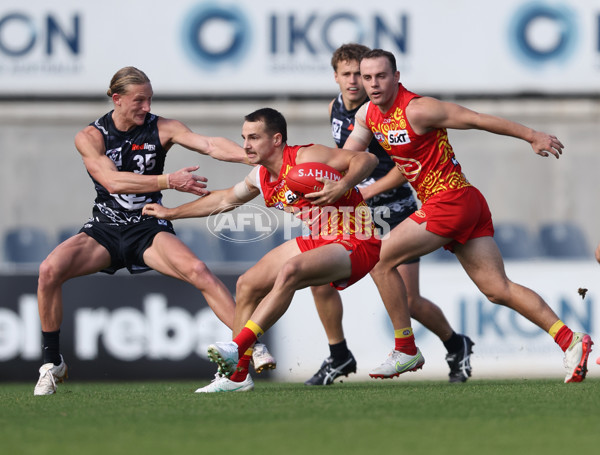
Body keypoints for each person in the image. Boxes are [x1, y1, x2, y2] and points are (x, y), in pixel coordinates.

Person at [340, 48, 593, 383]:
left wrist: (532, 135)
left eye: (381, 76)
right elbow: (345, 156)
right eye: (367, 77)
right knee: (497, 289)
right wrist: (315, 176)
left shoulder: (418, 108)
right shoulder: (368, 115)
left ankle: (405, 348)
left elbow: (476, 119)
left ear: (397, 77)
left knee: (378, 260)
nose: (373, 83)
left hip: (450, 201)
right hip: (463, 202)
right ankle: (571, 340)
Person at [143, 107, 424, 393]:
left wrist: (344, 185)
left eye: (254, 137)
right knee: (247, 284)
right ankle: (237, 377)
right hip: (320, 238)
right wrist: (172, 212)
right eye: (244, 138)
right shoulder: (260, 177)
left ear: (277, 139)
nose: (246, 145)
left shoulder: (306, 156)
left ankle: (236, 347)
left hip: (358, 238)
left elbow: (367, 158)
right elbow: (224, 199)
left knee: (291, 270)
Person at [34, 66, 275, 396]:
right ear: (117, 99)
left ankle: (249, 345)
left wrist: (253, 157)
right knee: (49, 270)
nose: (147, 107)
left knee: (199, 271)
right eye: (139, 101)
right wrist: (168, 181)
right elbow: (112, 181)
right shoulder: (90, 137)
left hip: (147, 225)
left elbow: (208, 144)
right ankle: (51, 363)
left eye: (149, 99)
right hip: (106, 228)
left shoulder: (163, 128)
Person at [305, 43, 474, 386]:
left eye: (362, 74)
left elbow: (406, 168)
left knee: (409, 300)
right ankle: (339, 355)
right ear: (335, 77)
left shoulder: (384, 111)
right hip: (355, 211)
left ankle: (456, 344)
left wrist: (368, 189)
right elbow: (344, 158)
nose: (356, 81)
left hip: (395, 208)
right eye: (349, 74)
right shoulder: (336, 108)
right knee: (318, 278)